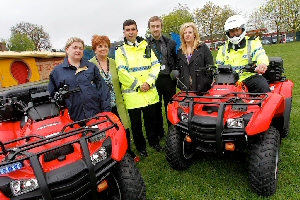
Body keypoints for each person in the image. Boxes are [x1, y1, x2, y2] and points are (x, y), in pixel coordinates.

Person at [115, 19, 164, 158]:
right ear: (124, 32)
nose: (130, 32)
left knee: (151, 121)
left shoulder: (146, 45)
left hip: (149, 92)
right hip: (133, 95)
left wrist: (148, 82)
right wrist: (138, 85)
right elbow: (122, 73)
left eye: (133, 29)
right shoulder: (120, 51)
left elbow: (155, 65)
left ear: (137, 30)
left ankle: (154, 142)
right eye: (127, 30)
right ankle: (141, 147)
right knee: (136, 125)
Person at [89, 35, 140, 162]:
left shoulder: (114, 62)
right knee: (106, 131)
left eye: (105, 46)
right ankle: (110, 156)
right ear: (95, 48)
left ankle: (128, 152)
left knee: (123, 127)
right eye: (100, 46)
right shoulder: (90, 65)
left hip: (117, 102)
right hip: (101, 106)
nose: (103, 49)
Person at [48, 37, 111, 122]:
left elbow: (103, 89)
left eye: (81, 48)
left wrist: (105, 111)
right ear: (67, 49)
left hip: (96, 115)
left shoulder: (91, 67)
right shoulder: (57, 72)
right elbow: (52, 95)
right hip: (73, 120)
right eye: (75, 47)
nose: (78, 50)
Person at [216, 15, 270, 93]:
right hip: (228, 79)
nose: (235, 33)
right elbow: (218, 65)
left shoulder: (252, 43)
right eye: (232, 31)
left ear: (243, 29)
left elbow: (260, 54)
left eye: (237, 30)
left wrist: (262, 64)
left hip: (249, 77)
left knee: (263, 87)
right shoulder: (223, 48)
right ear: (228, 33)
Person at [147, 16, 177, 140]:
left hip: (168, 79)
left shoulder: (170, 42)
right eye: (153, 26)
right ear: (149, 28)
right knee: (155, 108)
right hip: (153, 80)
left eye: (157, 26)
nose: (155, 29)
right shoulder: (145, 44)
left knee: (170, 106)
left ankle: (172, 132)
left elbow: (175, 59)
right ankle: (159, 132)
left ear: (161, 27)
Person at [176, 22, 214, 92]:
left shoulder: (203, 48)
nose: (187, 35)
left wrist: (205, 84)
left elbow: (210, 66)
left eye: (190, 32)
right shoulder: (180, 51)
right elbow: (178, 70)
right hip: (186, 90)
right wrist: (180, 84)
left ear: (194, 34)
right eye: (185, 33)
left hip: (202, 89)